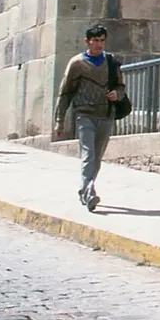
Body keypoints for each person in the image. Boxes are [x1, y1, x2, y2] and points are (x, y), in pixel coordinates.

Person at [54, 24, 127, 212]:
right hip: (85, 114)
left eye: (102, 40)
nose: (99, 44)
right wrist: (59, 120)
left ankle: (85, 189)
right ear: (87, 41)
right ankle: (89, 192)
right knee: (88, 154)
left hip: (106, 115)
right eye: (95, 41)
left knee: (97, 157)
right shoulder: (77, 63)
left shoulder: (111, 62)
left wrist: (116, 95)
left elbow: (121, 86)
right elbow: (65, 92)